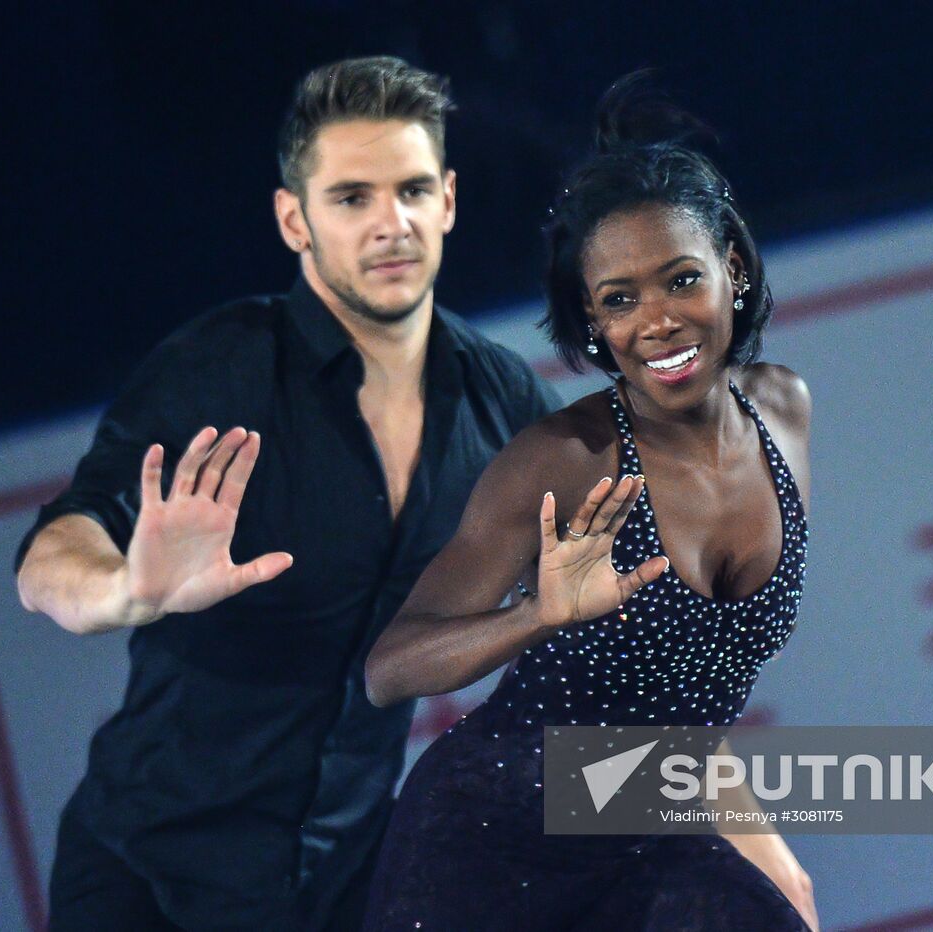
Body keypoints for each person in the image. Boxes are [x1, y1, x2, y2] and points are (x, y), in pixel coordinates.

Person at [14, 56, 560, 931]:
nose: (393, 224)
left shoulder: (502, 407)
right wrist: (126, 590)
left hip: (348, 883)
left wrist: (741, 830)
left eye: (414, 191)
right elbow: (52, 555)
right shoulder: (223, 368)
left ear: (449, 201)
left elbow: (636, 638)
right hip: (148, 881)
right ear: (293, 219)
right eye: (352, 199)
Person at [362, 76, 819, 930]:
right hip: (489, 849)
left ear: (734, 269)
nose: (658, 321)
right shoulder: (565, 460)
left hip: (645, 837)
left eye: (681, 280)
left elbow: (692, 689)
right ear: (593, 322)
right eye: (620, 300)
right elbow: (392, 670)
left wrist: (769, 856)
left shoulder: (785, 413)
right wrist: (536, 614)